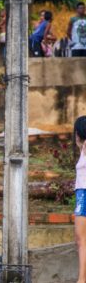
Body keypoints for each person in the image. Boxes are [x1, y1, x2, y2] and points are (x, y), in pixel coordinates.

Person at [74, 116, 86, 283]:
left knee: (81, 237)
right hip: (81, 193)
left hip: (84, 193)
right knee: (80, 238)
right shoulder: (83, 148)